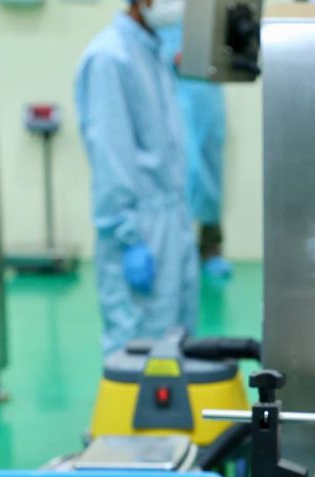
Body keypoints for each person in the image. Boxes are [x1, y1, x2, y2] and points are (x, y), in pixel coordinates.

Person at [74, 0, 199, 355]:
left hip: (172, 220)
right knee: (138, 348)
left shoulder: (153, 52)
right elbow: (110, 157)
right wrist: (127, 236)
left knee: (178, 342)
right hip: (139, 229)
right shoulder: (109, 58)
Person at [157, 24, 233, 281]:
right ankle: (175, 247)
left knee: (210, 162)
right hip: (168, 79)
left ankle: (210, 245)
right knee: (176, 163)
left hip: (204, 81)